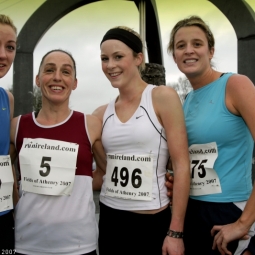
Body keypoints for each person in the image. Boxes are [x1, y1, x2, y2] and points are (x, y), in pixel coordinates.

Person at [92, 26, 190, 255]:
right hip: (110, 218)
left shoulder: (162, 97)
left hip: (151, 221)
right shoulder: (100, 114)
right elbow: (101, 171)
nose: (110, 65)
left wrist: (176, 232)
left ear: (138, 58)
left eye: (118, 57)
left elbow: (182, 165)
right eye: (104, 59)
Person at [166, 15, 255, 255]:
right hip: (193, 211)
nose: (189, 51)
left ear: (211, 50)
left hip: (229, 210)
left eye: (197, 43)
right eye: (180, 46)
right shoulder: (186, 100)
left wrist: (244, 223)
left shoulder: (236, 84)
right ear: (174, 56)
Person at [10, 49, 105, 255]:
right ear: (37, 79)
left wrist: (77, 189)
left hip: (79, 244)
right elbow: (5, 173)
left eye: (66, 72)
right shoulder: (17, 126)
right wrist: (18, 202)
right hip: (28, 243)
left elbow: (106, 172)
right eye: (49, 70)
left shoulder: (90, 124)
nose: (57, 77)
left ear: (75, 82)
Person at [0, 14, 19, 250]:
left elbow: (7, 160)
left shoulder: (8, 99)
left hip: (3, 214)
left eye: (10, 47)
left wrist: (17, 206)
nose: (3, 55)